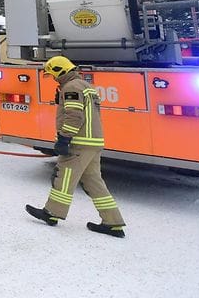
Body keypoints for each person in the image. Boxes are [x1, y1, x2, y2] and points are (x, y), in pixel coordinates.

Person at [25, 56, 127, 237]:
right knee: (94, 182)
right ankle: (113, 222)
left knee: (64, 176)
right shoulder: (84, 86)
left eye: (53, 75)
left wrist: (64, 138)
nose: (54, 79)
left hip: (79, 143)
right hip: (94, 142)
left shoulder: (71, 87)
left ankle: (52, 213)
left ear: (60, 71)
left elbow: (74, 116)